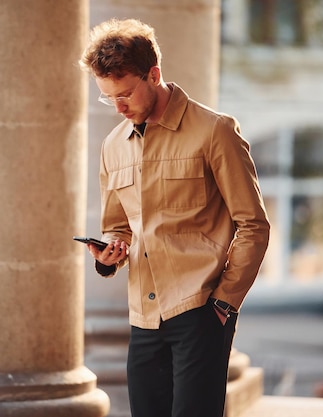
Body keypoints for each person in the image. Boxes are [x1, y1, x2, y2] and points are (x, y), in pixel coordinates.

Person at [78, 18, 270, 417]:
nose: (118, 106)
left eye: (126, 93)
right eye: (108, 97)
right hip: (143, 318)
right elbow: (118, 225)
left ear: (154, 74)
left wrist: (224, 304)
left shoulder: (215, 131)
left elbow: (253, 225)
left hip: (200, 311)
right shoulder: (114, 146)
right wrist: (108, 255)